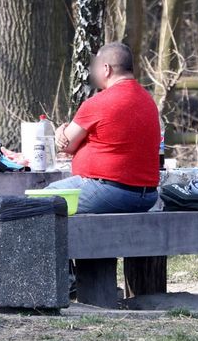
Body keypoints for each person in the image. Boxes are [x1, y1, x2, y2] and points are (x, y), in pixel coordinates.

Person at [44, 42, 161, 214]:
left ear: (106, 69)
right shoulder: (148, 101)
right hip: (147, 195)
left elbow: (66, 145)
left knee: (39, 201)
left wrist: (59, 132)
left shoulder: (98, 102)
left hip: (109, 192)